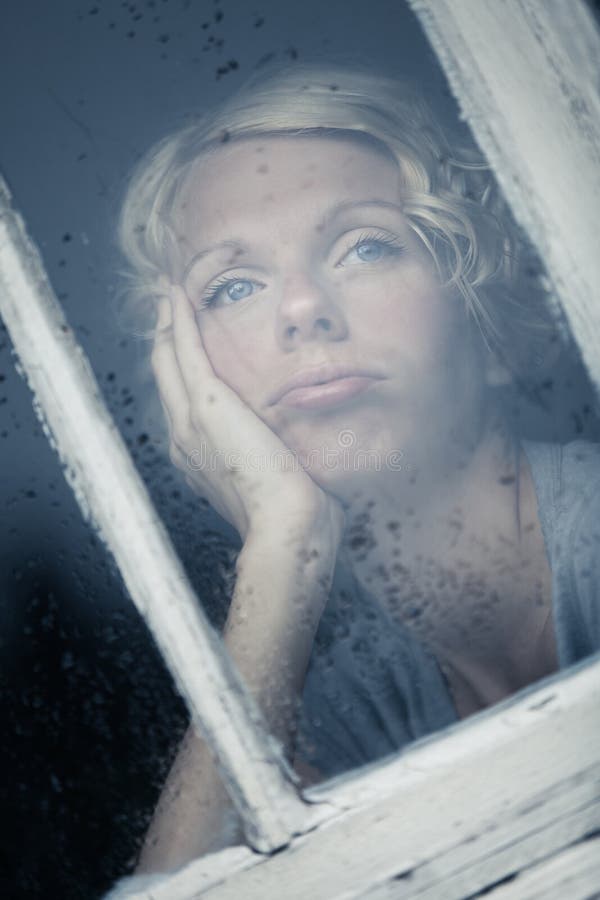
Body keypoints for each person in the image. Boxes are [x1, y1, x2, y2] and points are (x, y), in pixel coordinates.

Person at [115, 61, 600, 876]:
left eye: (365, 246)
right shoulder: (345, 701)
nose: (302, 308)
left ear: (484, 323)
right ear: (193, 389)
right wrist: (283, 547)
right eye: (234, 287)